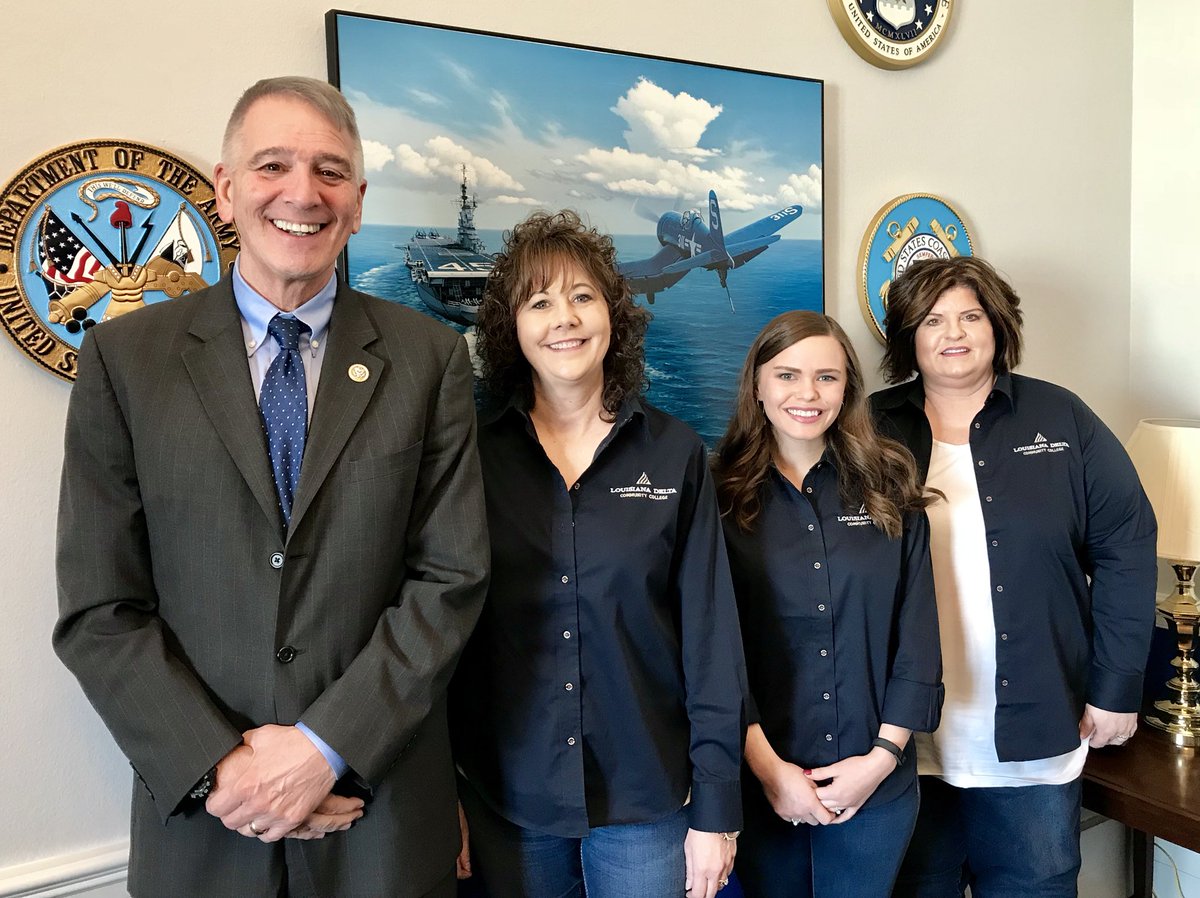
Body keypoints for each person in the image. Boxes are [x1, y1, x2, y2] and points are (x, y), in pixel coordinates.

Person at [53, 76, 489, 898]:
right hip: (204, 828)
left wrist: (324, 748)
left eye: (331, 172)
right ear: (226, 188)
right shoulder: (125, 361)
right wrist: (226, 770)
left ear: (356, 203)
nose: (303, 193)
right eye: (273, 165)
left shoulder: (428, 359)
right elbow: (99, 606)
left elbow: (450, 579)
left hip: (381, 823)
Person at [450, 210, 747, 898]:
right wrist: (442, 790)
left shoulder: (674, 454)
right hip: (508, 796)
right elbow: (442, 633)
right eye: (539, 301)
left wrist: (717, 810)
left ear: (614, 313)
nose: (565, 318)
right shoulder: (472, 458)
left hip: (646, 795)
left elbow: (711, 640)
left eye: (583, 296)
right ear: (511, 326)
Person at [871, 257, 1157, 897]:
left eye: (970, 316)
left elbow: (1127, 545)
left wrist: (1116, 688)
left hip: (1036, 733)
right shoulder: (871, 428)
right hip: (903, 740)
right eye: (933, 320)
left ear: (998, 326)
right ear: (909, 336)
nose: (954, 333)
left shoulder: (1061, 418)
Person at [711, 310, 943, 898]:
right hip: (760, 782)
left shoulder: (889, 483)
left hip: (876, 783)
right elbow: (711, 654)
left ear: (848, 389)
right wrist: (771, 772)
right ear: (757, 386)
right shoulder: (714, 496)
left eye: (827, 377)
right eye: (787, 375)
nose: (807, 394)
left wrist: (881, 760)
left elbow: (917, 636)